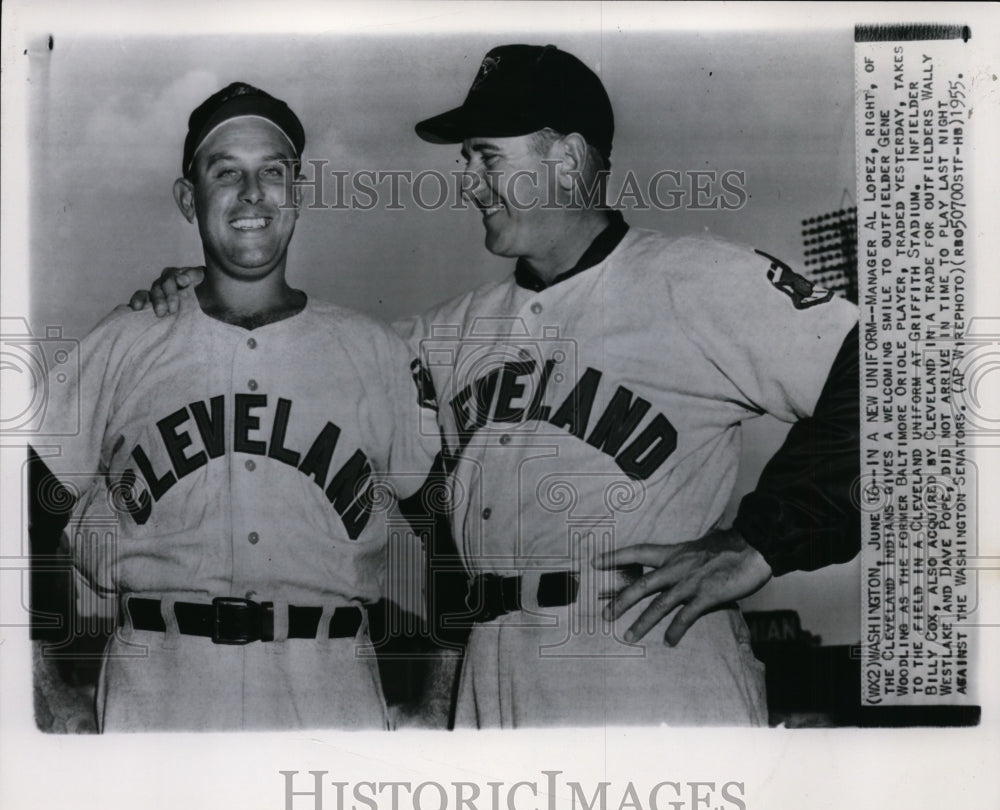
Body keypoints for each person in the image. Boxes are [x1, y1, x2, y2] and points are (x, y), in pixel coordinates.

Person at [131, 45, 862, 728]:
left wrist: (762, 541)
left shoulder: (694, 280)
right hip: (492, 664)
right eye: (467, 159)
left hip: (649, 657)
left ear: (569, 159)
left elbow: (893, 376)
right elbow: (306, 371)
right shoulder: (446, 333)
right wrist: (217, 292)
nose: (468, 180)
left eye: (487, 156)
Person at [29, 82, 438, 731]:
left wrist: (440, 688)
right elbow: (22, 508)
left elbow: (449, 524)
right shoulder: (122, 342)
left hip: (326, 686)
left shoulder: (375, 352)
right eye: (227, 174)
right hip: (158, 684)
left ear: (297, 195)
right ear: (188, 199)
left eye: (271, 173)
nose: (253, 195)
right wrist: (43, 679)